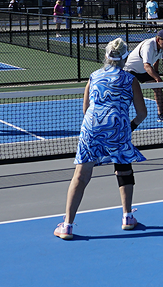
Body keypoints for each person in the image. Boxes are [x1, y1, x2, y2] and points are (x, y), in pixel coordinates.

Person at [55, 38, 148, 240]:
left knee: (81, 175)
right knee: (124, 168)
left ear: (106, 56)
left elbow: (85, 109)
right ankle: (128, 217)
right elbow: (142, 114)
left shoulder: (94, 76)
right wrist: (127, 128)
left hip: (92, 126)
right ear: (125, 58)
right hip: (119, 128)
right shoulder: (131, 80)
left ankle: (67, 226)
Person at [123, 28, 163, 122]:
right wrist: (158, 79)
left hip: (143, 70)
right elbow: (146, 65)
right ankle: (122, 115)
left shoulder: (161, 47)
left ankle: (161, 115)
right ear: (158, 40)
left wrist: (157, 76)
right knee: (128, 93)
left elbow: (156, 60)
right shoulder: (148, 46)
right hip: (130, 70)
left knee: (157, 88)